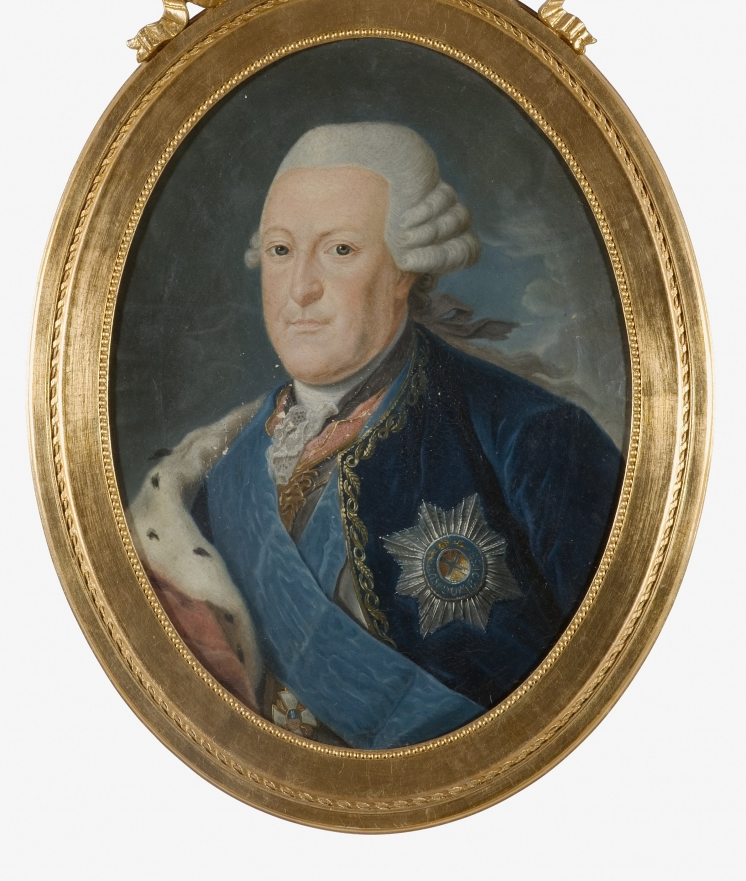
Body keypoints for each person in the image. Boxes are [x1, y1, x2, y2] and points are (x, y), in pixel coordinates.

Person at [128, 122, 623, 749]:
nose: (300, 288)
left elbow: (612, 675)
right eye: (280, 250)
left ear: (405, 270)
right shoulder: (213, 471)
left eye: (339, 250)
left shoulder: (531, 438)